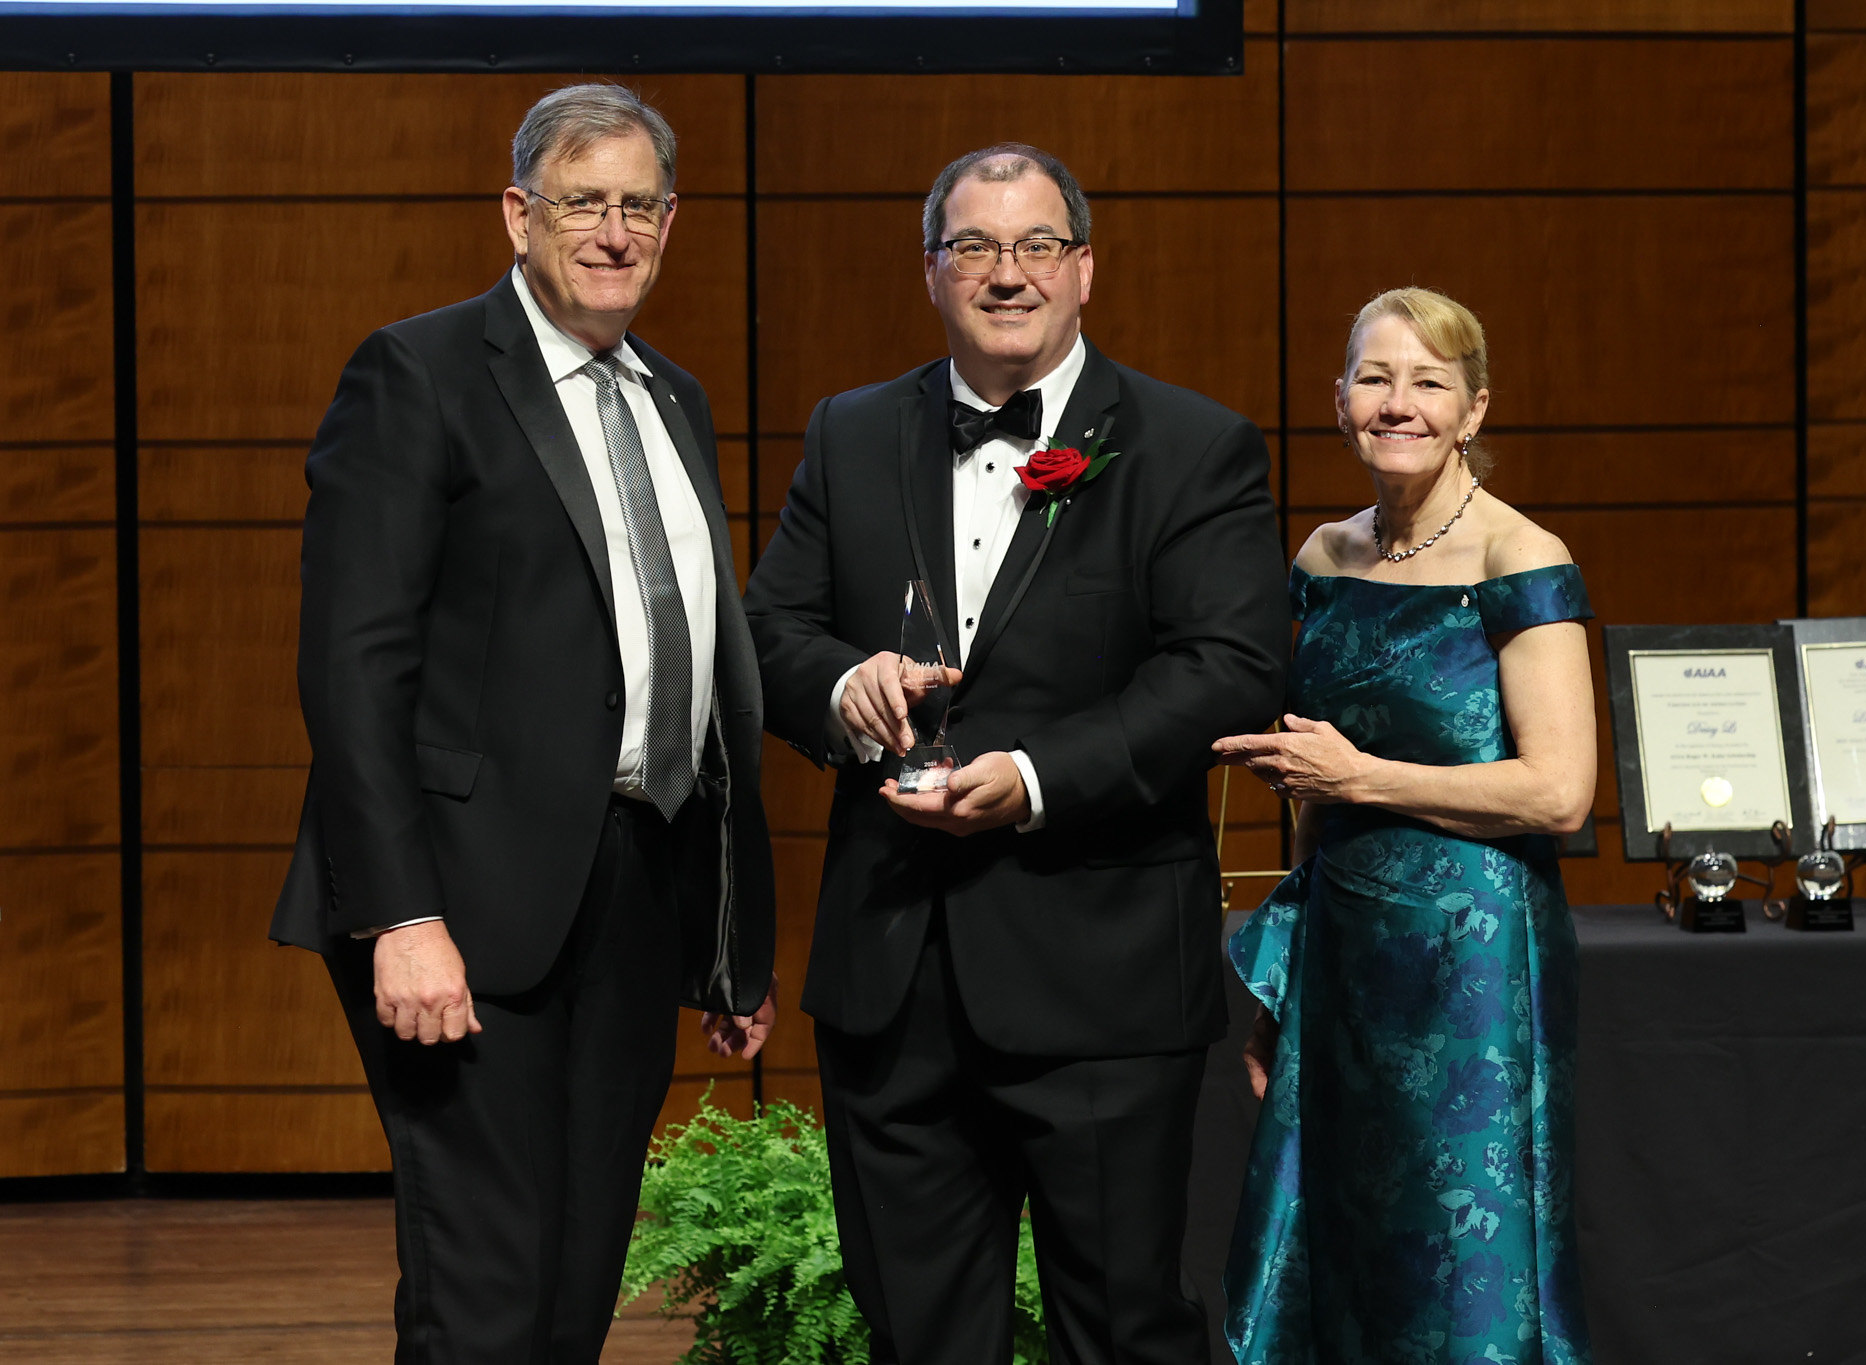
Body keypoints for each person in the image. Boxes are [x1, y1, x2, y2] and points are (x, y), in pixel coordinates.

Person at [743, 143, 1290, 1364]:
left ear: (1083, 269)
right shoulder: (851, 432)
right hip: (892, 978)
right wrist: (844, 684)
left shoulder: (1192, 445)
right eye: (973, 247)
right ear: (930, 271)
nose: (1006, 273)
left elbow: (1226, 668)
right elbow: (765, 631)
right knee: (920, 1338)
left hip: (1101, 978)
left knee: (1126, 1332)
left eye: (1035, 245)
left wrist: (1039, 778)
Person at [268, 83, 776, 1364]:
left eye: (638, 206)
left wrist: (727, 931)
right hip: (461, 900)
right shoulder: (418, 372)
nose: (613, 233)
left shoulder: (674, 398)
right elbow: (352, 665)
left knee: (575, 1276)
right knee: (486, 1285)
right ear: (517, 213)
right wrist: (399, 914)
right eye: (581, 202)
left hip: (632, 883)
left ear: (671, 221)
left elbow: (700, 668)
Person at [1213, 288, 1597, 1364]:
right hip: (1340, 953)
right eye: (1375, 379)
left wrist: (1362, 778)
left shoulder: (1516, 559)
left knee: (1461, 1246)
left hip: (1473, 963)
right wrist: (1281, 988)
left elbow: (1559, 792)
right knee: (1341, 1237)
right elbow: (1305, 777)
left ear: (1474, 410)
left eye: (1427, 382)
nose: (1398, 403)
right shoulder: (1321, 561)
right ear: (1338, 402)